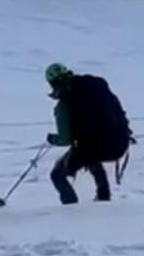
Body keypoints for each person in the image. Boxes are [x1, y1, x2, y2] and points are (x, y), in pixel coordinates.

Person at [43, 63, 135, 204]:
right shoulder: (97, 86)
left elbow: (65, 139)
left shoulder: (65, 103)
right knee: (89, 152)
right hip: (120, 142)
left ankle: (71, 207)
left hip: (96, 147)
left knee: (57, 174)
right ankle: (103, 196)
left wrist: (53, 139)